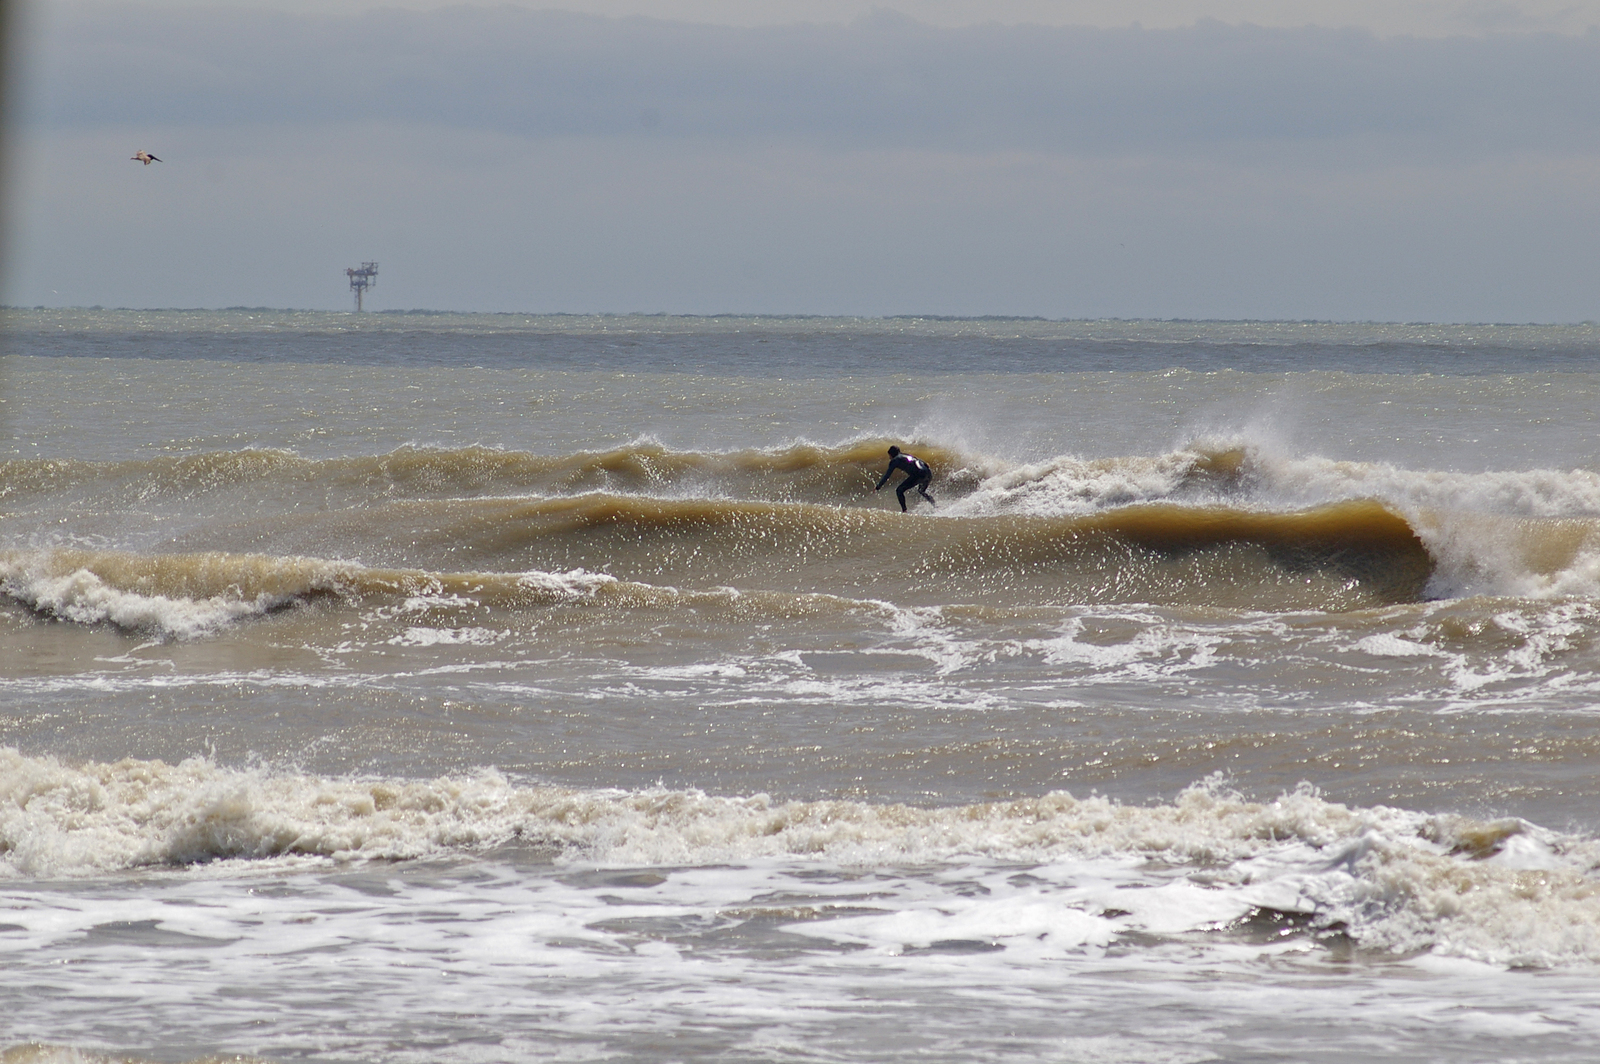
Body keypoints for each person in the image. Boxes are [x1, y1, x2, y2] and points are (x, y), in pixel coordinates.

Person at [875, 446, 936, 512]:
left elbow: (887, 475)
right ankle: (935, 505)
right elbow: (926, 464)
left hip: (918, 474)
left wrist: (878, 486)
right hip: (928, 473)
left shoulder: (895, 460)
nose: (889, 458)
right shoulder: (907, 456)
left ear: (891, 454)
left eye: (889, 456)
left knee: (899, 490)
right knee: (921, 491)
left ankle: (904, 511)